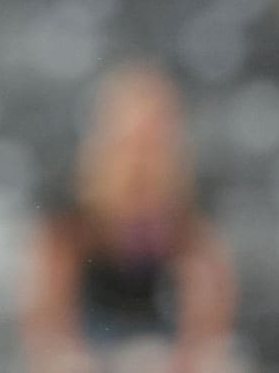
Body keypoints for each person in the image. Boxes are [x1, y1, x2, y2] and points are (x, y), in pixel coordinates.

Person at [19, 61, 237, 373]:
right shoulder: (70, 211)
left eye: (152, 144)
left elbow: (210, 313)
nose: (140, 162)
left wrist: (184, 358)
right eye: (130, 143)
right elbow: (45, 318)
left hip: (165, 349)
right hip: (89, 346)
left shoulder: (190, 212)